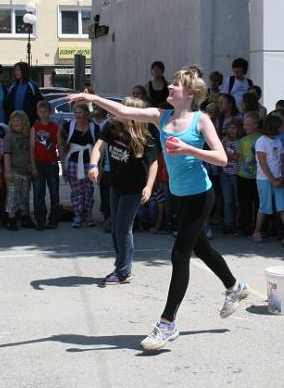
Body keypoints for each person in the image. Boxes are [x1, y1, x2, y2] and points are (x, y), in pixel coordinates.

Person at [69, 68, 249, 352]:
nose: (170, 87)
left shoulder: (200, 120)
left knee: (179, 254)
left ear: (189, 94)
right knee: (200, 248)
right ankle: (234, 286)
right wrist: (92, 98)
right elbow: (123, 111)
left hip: (200, 196)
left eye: (176, 84)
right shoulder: (161, 116)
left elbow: (222, 158)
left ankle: (167, 323)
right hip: (179, 196)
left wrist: (189, 150)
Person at [88, 97, 159, 284]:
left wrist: (149, 186)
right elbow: (98, 147)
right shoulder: (112, 127)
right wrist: (93, 164)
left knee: (123, 228)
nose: (118, 111)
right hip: (116, 185)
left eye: (123, 108)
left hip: (134, 189)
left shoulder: (146, 138)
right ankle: (121, 266)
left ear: (133, 115)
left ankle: (124, 271)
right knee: (115, 228)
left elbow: (153, 163)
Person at [59, 103, 99, 228]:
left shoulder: (94, 127)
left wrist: (98, 164)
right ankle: (77, 215)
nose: (78, 115)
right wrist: (63, 154)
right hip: (73, 162)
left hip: (89, 162)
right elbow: (60, 137)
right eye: (75, 112)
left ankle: (88, 214)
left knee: (88, 189)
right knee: (76, 190)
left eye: (80, 112)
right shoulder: (69, 125)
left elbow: (99, 146)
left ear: (86, 114)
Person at [252, 113, 284, 244]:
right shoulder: (261, 141)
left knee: (282, 206)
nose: (283, 127)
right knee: (264, 206)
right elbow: (262, 163)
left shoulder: (278, 140)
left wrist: (282, 177)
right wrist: (273, 180)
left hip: (278, 178)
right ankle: (257, 231)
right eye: (280, 125)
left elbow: (283, 160)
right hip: (264, 179)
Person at [31, 100, 61, 230]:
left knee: (54, 192)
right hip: (38, 163)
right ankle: (40, 220)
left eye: (45, 111)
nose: (43, 114)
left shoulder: (55, 127)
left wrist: (63, 164)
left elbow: (60, 146)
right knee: (38, 192)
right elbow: (31, 148)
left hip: (52, 163)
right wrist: (33, 165)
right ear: (37, 112)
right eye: (40, 111)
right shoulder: (35, 128)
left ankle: (53, 219)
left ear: (50, 112)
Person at [4, 111, 32, 230]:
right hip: (14, 170)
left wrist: (31, 163)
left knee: (25, 195)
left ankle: (25, 217)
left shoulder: (28, 135)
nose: (15, 122)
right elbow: (7, 154)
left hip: (26, 170)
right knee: (13, 196)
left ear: (24, 122)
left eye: (18, 120)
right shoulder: (9, 136)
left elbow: (31, 151)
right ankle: (11, 219)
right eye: (13, 120)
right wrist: (8, 171)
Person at [236, 111, 261, 236]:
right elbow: (240, 157)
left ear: (256, 125)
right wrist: (238, 170)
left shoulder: (261, 139)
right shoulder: (242, 140)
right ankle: (244, 228)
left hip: (257, 177)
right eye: (244, 124)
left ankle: (259, 227)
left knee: (258, 203)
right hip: (243, 176)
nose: (245, 127)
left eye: (248, 124)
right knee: (243, 203)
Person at [220, 119, 240, 235]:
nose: (232, 130)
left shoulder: (239, 142)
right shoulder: (224, 141)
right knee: (227, 200)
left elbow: (236, 157)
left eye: (234, 128)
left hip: (236, 174)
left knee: (238, 201)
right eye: (230, 128)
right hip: (225, 173)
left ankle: (238, 223)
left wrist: (224, 149)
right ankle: (228, 223)